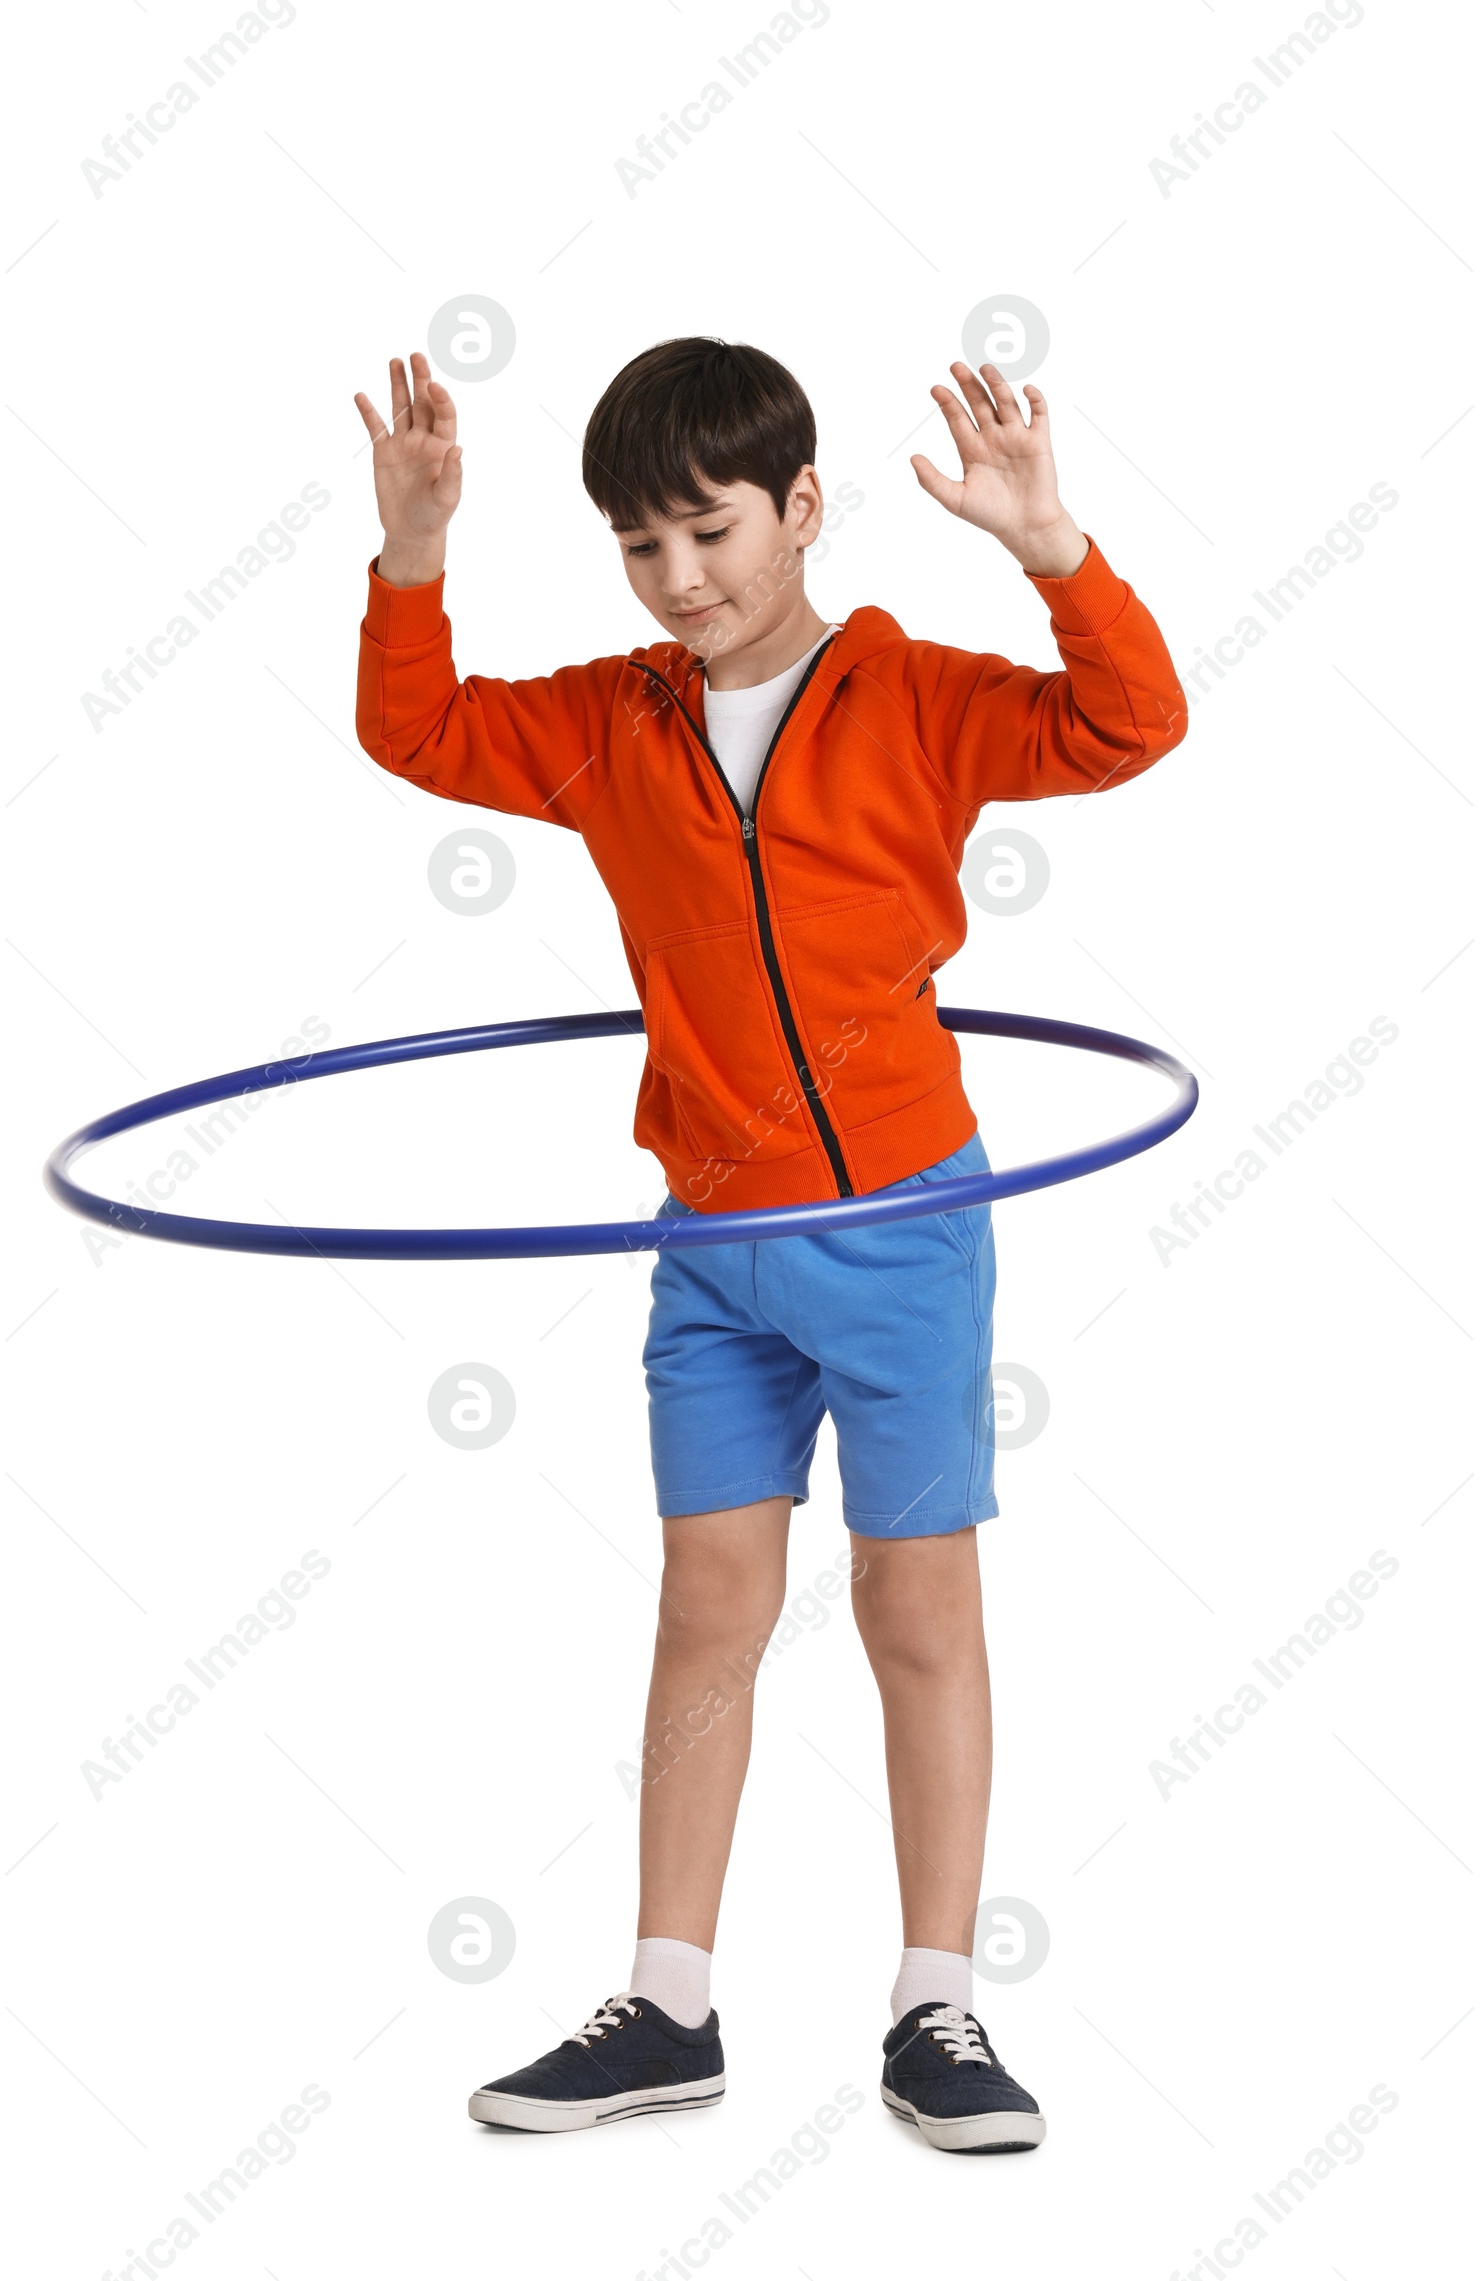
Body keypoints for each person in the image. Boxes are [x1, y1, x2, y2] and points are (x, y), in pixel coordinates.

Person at [353, 337, 1187, 2151]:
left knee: (915, 1607)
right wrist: (412, 553)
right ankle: (667, 2004)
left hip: (902, 1231)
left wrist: (1052, 548)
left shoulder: (916, 697)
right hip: (714, 1253)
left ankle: (938, 2007)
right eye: (638, 547)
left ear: (804, 506)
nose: (678, 581)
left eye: (709, 533)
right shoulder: (610, 718)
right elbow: (413, 729)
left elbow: (1131, 725)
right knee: (708, 1609)